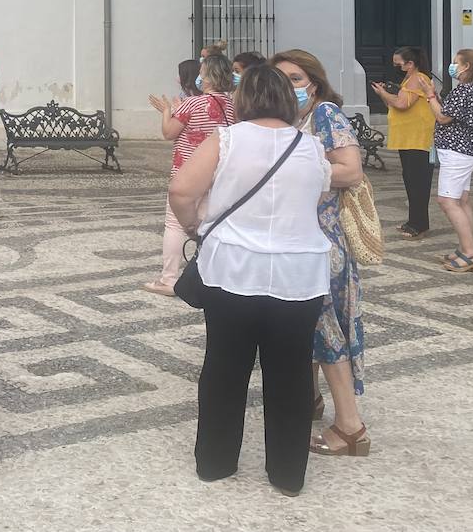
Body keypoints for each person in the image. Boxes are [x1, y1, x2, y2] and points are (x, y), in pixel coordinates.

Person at [170, 63, 331, 496]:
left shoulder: (225, 140)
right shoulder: (312, 147)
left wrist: (193, 227)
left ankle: (216, 461)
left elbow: (182, 191)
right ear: (284, 99)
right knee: (292, 373)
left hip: (233, 269)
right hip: (299, 274)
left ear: (243, 100)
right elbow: (314, 198)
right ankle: (287, 472)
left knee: (225, 365)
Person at [273, 49, 368, 458]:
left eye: (296, 78)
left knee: (325, 329)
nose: (289, 86)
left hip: (322, 240)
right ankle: (309, 399)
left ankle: (351, 427)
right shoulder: (283, 120)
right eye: (281, 79)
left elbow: (351, 169)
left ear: (313, 81)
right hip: (295, 237)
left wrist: (302, 169)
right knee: (308, 323)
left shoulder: (325, 113)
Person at [145, 53, 236, 296]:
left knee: (175, 224)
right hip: (218, 172)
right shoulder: (233, 105)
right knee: (209, 222)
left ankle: (169, 279)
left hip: (187, 170)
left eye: (202, 72)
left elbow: (169, 133)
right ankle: (210, 275)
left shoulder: (193, 103)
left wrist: (166, 112)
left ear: (207, 76)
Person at [424, 48, 473, 274]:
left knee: (447, 201)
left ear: (465, 67)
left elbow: (443, 117)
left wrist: (430, 95)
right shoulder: (471, 90)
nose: (452, 66)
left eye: (456, 62)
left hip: (458, 153)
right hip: (465, 152)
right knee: (462, 200)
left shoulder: (465, 90)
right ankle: (465, 247)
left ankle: (470, 253)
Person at [370, 47, 435, 239]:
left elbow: (402, 104)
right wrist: (386, 93)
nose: (395, 66)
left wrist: (382, 93)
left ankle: (420, 224)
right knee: (410, 180)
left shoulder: (419, 78)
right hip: (407, 137)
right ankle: (413, 221)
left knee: (418, 182)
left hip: (418, 138)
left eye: (397, 63)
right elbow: (395, 104)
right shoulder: (408, 79)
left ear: (410, 64)